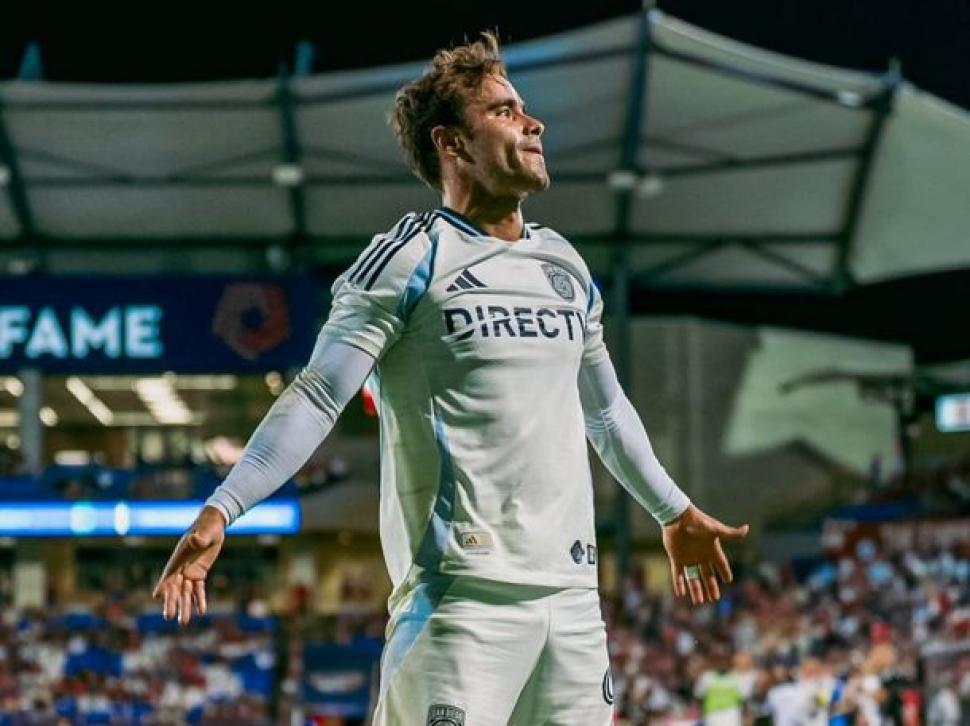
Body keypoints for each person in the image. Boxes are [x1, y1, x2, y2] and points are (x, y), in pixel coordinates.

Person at [152, 32, 749, 725]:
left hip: (572, 602)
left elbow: (606, 412)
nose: (533, 123)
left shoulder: (564, 265)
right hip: (459, 601)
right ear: (452, 143)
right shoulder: (407, 260)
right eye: (504, 111)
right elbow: (317, 394)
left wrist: (671, 509)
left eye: (523, 108)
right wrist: (224, 506)